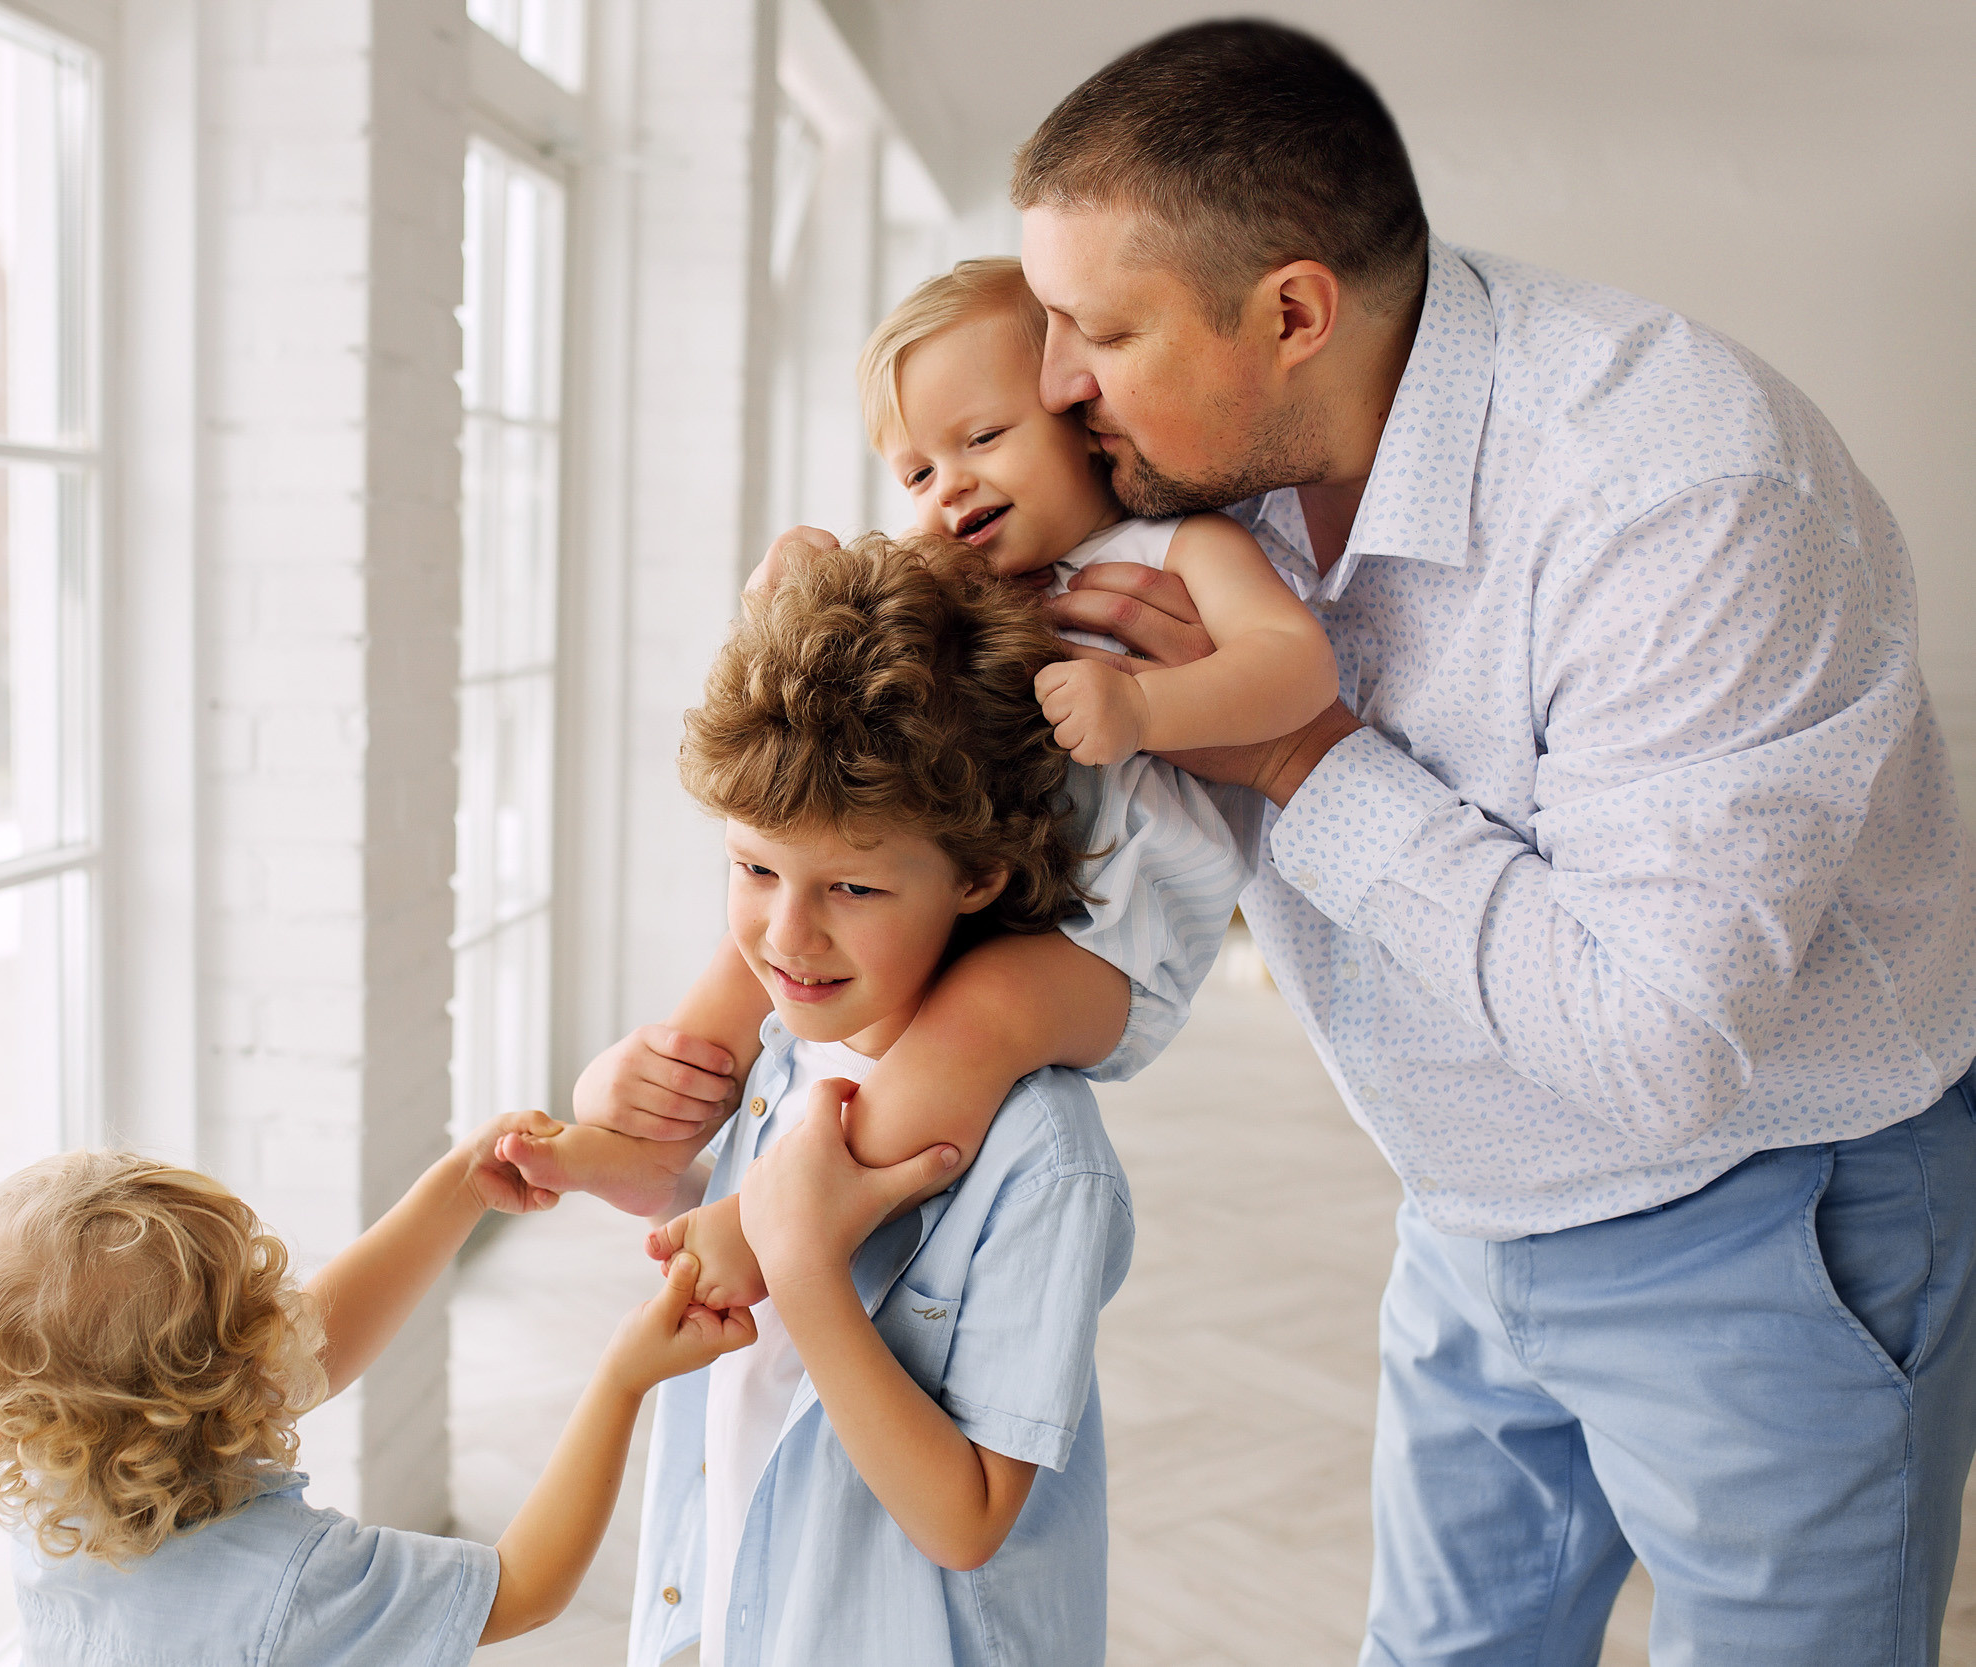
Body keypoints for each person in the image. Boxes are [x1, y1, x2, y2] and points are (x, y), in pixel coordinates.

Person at [1008, 19, 1976, 1665]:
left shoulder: (1678, 493)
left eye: (1098, 328)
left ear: (1293, 313)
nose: (1052, 383)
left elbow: (1658, 1046)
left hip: (1771, 1212)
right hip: (1466, 1210)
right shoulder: (1189, 461)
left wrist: (1303, 756)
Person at [505, 260, 1334, 1309]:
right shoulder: (954, 564)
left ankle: (771, 1219)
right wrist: (788, 580)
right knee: (767, 935)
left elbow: (1298, 666)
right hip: (956, 889)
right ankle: (648, 1138)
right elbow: (852, 632)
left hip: (1108, 939)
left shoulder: (1183, 546)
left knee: (979, 1016)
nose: (948, 488)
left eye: (982, 438)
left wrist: (1147, 710)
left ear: (1083, 417)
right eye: (915, 472)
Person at [626, 534, 1133, 1667]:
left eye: (851, 886)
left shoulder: (1042, 1154)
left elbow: (965, 1520)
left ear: (978, 875)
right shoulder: (780, 1053)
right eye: (755, 869)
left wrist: (801, 1263)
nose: (787, 935)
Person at [0, 1119, 755, 1665]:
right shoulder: (295, 1583)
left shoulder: (53, 1479)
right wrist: (620, 1377)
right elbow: (524, 1586)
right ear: (247, 1359)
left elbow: (311, 1348)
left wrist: (460, 1185)